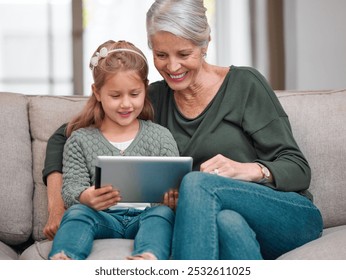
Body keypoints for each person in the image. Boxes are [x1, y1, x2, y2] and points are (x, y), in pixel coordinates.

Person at [43, 0, 323, 260]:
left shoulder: (245, 85)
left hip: (286, 215)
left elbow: (298, 168)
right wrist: (58, 207)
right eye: (161, 54)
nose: (172, 66)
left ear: (205, 45)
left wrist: (246, 170)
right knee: (227, 224)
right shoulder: (154, 97)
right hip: (221, 218)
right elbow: (63, 136)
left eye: (184, 53)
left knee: (195, 182)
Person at [47, 40, 180, 260]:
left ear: (145, 90)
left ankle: (148, 257)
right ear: (97, 92)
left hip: (146, 216)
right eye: (115, 96)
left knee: (163, 215)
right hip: (102, 217)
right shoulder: (80, 140)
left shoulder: (160, 136)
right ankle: (65, 257)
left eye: (134, 94)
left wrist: (171, 199)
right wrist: (85, 197)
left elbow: (171, 188)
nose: (126, 104)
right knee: (77, 213)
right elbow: (71, 189)